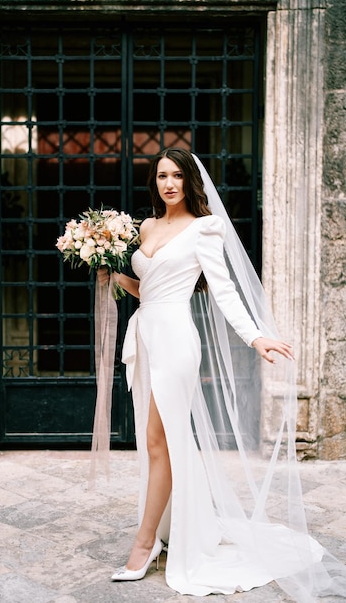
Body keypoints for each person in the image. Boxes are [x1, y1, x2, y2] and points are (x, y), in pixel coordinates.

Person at [97, 148, 346, 600]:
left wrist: (256, 337)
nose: (168, 183)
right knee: (154, 442)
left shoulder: (204, 229)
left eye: (176, 176)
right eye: (161, 176)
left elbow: (225, 293)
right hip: (146, 333)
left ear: (190, 180)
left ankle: (145, 541)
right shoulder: (148, 227)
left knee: (161, 440)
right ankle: (170, 526)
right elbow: (147, 288)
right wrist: (113, 275)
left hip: (175, 339)